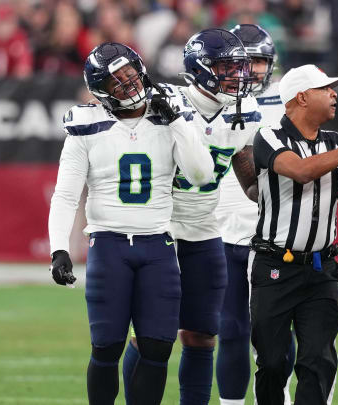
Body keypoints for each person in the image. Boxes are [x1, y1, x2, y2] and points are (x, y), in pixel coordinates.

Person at [48, 42, 215, 405]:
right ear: (101, 92)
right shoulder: (86, 126)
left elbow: (202, 175)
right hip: (108, 245)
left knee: (157, 347)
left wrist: (178, 123)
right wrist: (59, 247)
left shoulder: (169, 116)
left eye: (129, 75)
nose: (128, 85)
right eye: (116, 82)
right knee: (106, 347)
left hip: (158, 244)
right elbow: (65, 195)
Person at [120, 28, 261, 405]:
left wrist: (285, 194)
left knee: (201, 335)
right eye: (227, 68)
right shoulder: (164, 102)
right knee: (151, 336)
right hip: (159, 230)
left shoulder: (245, 111)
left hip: (204, 231)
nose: (238, 76)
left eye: (239, 68)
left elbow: (248, 179)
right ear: (201, 69)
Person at [250, 64, 338, 405]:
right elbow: (301, 171)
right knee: (273, 363)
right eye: (326, 89)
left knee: (318, 361)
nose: (334, 93)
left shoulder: (334, 142)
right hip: (275, 267)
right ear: (302, 97)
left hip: (321, 269)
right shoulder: (269, 137)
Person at [215, 24, 293, 405]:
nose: (250, 70)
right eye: (242, 61)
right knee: (230, 330)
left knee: (277, 332)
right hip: (221, 230)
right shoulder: (210, 99)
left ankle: (280, 397)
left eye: (258, 61)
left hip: (274, 232)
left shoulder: (291, 100)